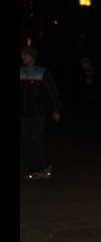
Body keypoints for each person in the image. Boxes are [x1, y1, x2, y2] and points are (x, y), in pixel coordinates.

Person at [20, 45, 62, 181]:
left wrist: (56, 108)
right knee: (27, 141)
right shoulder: (21, 71)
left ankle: (45, 166)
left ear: (32, 56)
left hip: (39, 111)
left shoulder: (42, 72)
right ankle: (34, 170)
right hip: (24, 113)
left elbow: (52, 90)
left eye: (25, 54)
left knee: (35, 138)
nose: (22, 56)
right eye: (22, 54)